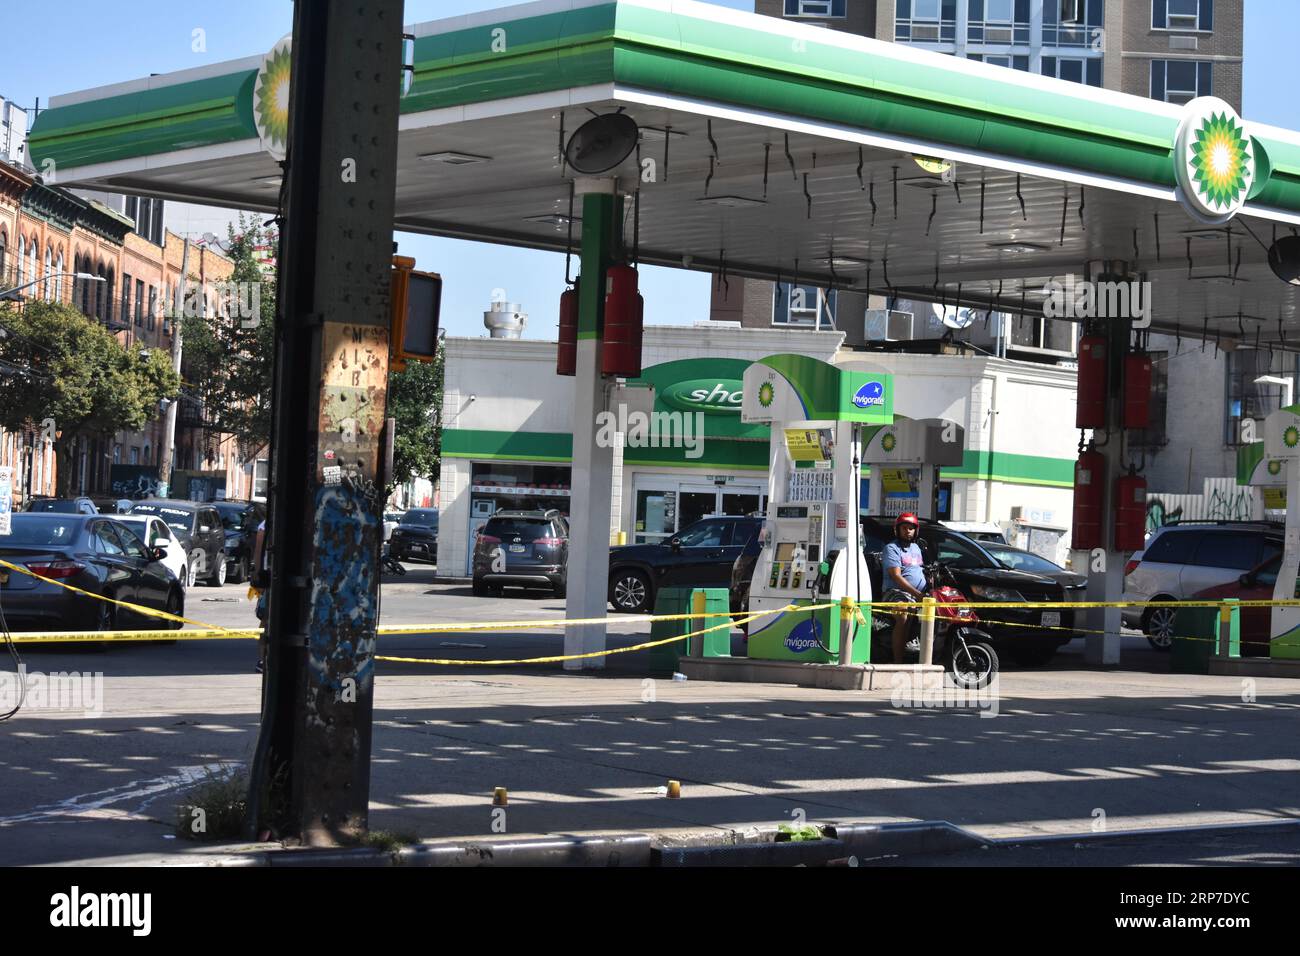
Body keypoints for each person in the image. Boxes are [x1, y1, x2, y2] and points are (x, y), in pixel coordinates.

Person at [881, 512, 927, 664]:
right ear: (897, 530)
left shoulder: (916, 548)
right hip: (895, 592)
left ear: (916, 530)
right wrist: (918, 594)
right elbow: (896, 576)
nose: (908, 531)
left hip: (917, 594)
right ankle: (898, 662)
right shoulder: (892, 548)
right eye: (904, 528)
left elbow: (919, 570)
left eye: (911, 528)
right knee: (903, 615)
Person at [251, 518, 268, 673]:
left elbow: (258, 551)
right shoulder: (265, 524)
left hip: (269, 578)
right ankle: (263, 659)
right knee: (265, 619)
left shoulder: (265, 524)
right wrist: (258, 575)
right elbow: (258, 552)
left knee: (265, 620)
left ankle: (263, 659)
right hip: (269, 579)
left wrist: (257, 574)